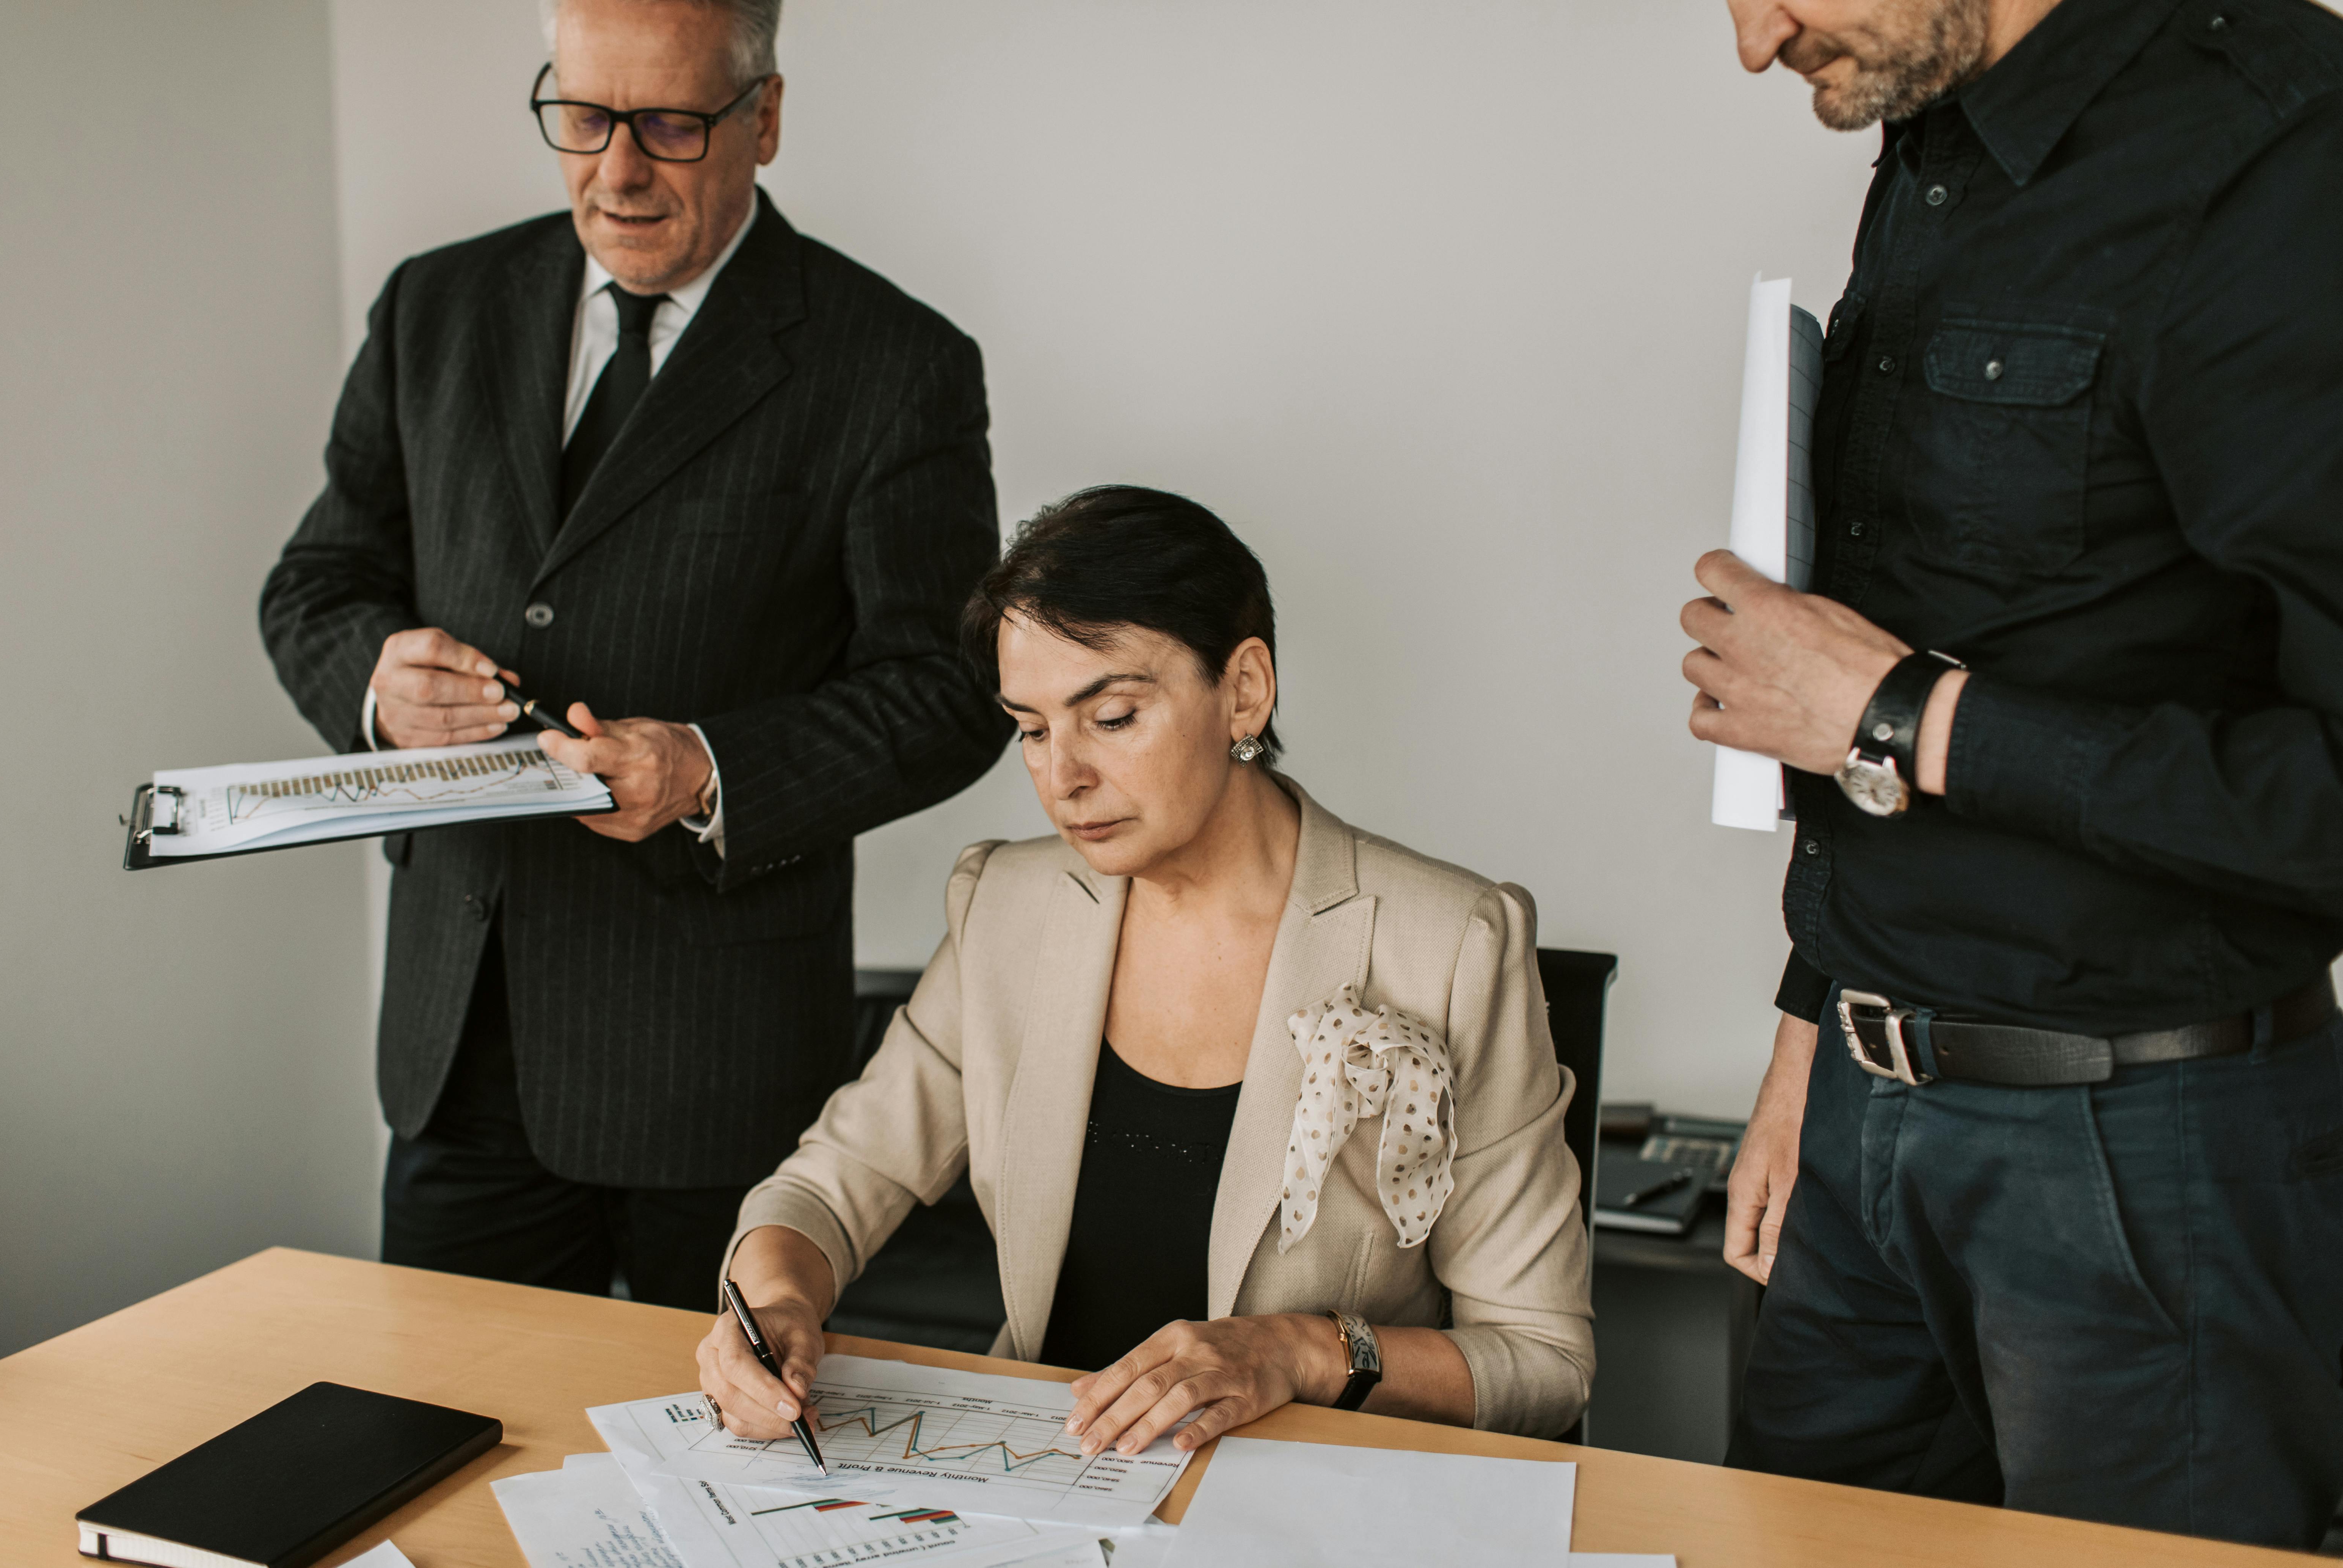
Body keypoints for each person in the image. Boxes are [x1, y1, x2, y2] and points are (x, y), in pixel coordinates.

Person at [1681, 0, 2343, 1547]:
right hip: (1857, 1117)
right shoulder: (1928, 124)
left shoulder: (2273, 147)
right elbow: (1968, 602)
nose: (1750, 36)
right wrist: (1809, 1026)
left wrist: (1903, 711)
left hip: (2147, 1152)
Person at [258, 0, 1007, 1308]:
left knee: (719, 1482)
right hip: (457, 1048)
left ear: (763, 118)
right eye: (582, 116)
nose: (615, 171)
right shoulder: (434, 306)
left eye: (668, 124)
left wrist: (710, 767)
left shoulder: (896, 364)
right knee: (434, 1446)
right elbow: (319, 580)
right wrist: (378, 679)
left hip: (713, 1069)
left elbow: (949, 690)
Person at [695, 486, 1594, 1449]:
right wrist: (777, 1296)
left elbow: (1543, 1362)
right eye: (1032, 730)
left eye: (1112, 716)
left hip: (1306, 1499)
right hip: (1039, 1480)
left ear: (1243, 689)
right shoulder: (1005, 903)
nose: (1062, 777)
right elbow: (834, 1182)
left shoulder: (1449, 941)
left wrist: (1294, 1351)